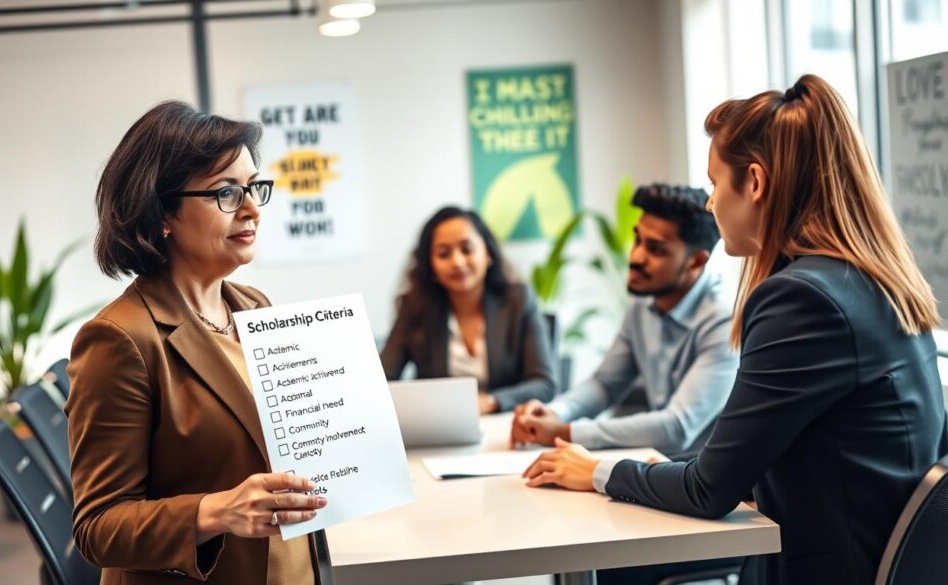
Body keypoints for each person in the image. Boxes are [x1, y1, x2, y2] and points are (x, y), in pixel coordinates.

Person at [523, 74, 948, 585]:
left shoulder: (801, 299)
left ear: (755, 182)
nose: (709, 203)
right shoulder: (874, 280)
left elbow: (709, 490)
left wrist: (596, 471)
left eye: (714, 183)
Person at [67, 101, 327, 585]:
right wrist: (216, 511)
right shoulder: (119, 339)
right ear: (162, 212)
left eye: (253, 188)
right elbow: (97, 527)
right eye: (227, 192)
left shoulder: (254, 307)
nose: (251, 208)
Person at [511, 184, 738, 459]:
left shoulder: (724, 321)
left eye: (655, 249)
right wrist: (553, 412)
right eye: (638, 240)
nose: (636, 257)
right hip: (660, 466)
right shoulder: (642, 304)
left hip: (713, 478)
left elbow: (678, 427)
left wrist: (565, 432)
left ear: (696, 261)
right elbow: (605, 385)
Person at [380, 206, 557, 414]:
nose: (457, 262)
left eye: (467, 249)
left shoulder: (518, 301)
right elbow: (382, 382)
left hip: (508, 425)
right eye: (444, 254)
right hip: (442, 428)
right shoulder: (414, 308)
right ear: (431, 266)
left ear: (488, 253)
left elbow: (544, 384)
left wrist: (491, 402)